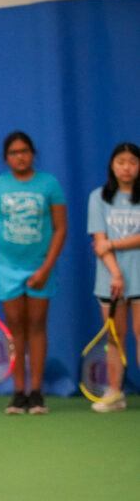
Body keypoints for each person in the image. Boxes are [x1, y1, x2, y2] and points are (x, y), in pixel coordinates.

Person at [0, 131, 67, 414]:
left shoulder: (49, 184)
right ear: (6, 158)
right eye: (14, 152)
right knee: (15, 327)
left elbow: (61, 228)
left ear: (33, 153)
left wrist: (45, 268)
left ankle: (36, 392)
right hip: (5, 268)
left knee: (37, 325)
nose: (20, 156)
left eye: (25, 151)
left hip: (40, 266)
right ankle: (18, 393)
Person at [88, 141, 140, 411]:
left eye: (132, 162)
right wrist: (117, 273)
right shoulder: (98, 198)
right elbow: (100, 243)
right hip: (110, 281)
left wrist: (113, 244)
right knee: (114, 337)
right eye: (121, 162)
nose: (127, 167)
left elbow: (108, 243)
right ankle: (115, 393)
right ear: (112, 166)